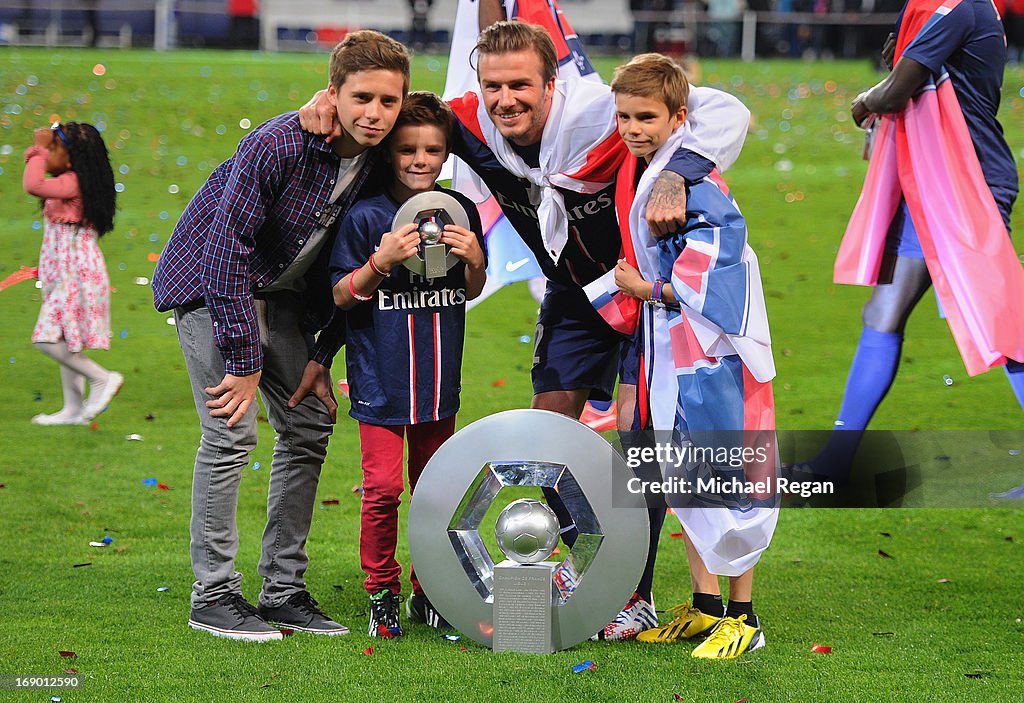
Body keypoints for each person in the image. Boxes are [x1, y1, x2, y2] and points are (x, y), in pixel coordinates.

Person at [298, 13, 749, 641]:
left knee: (640, 437)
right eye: (493, 86)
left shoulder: (596, 109)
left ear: (552, 83)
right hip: (572, 294)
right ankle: (575, 568)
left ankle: (634, 594)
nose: (506, 100)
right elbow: (399, 118)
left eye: (521, 86)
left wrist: (679, 171)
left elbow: (724, 110)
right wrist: (324, 101)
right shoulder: (468, 118)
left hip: (637, 288)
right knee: (548, 432)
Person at [152, 30, 410, 642]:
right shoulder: (278, 143)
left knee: (310, 424)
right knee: (229, 432)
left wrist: (321, 354)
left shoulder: (378, 154)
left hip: (285, 302)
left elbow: (347, 265)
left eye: (388, 101)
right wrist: (242, 361)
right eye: (361, 98)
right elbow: (224, 251)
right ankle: (212, 596)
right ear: (333, 94)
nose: (374, 113)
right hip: (213, 291)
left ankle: (282, 590)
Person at [808, 0, 1024, 479]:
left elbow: (894, 93)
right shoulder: (945, 9)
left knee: (1005, 328)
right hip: (931, 184)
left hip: (968, 187)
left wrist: (863, 101)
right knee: (883, 313)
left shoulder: (956, 7)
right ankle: (837, 461)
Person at [609, 53, 776, 659]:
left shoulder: (695, 181)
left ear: (680, 117)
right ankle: (706, 609)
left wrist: (645, 290)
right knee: (686, 473)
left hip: (712, 355)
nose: (631, 128)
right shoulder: (654, 168)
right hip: (670, 352)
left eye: (645, 116)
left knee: (727, 470)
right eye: (624, 115)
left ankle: (745, 617)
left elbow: (719, 277)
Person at [330, 92, 486, 637]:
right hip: (381, 382)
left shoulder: (457, 212)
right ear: (388, 152)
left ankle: (431, 588)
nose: (420, 160)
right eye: (407, 150)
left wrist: (474, 261)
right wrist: (382, 261)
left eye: (433, 150)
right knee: (382, 491)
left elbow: (470, 291)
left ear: (446, 155)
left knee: (435, 491)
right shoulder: (365, 215)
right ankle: (381, 592)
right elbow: (343, 296)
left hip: (439, 383)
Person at [23, 121, 122, 426]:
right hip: (61, 271)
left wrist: (37, 152)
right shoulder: (70, 179)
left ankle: (103, 378)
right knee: (66, 339)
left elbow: (32, 184)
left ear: (72, 156)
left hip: (75, 273)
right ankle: (73, 408)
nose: (47, 154)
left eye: (54, 149)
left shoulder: (74, 182)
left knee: (46, 339)